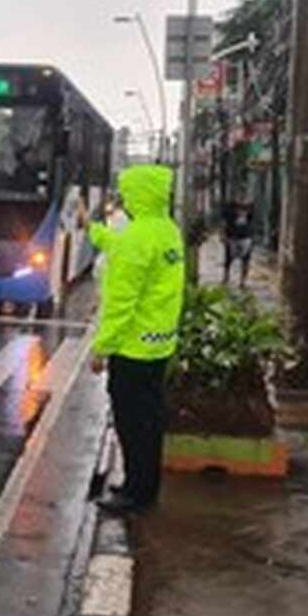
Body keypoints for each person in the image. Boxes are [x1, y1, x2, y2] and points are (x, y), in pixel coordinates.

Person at [87, 166, 185, 514]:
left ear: (138, 195)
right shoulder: (166, 231)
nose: (124, 199)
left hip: (132, 349)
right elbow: (125, 248)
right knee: (151, 420)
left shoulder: (137, 237)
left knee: (132, 424)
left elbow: (120, 304)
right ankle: (145, 486)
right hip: (158, 344)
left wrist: (102, 348)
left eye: (127, 193)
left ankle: (135, 493)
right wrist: (94, 231)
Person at [221, 191, 256, 287]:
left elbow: (252, 221)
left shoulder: (251, 207)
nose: (242, 198)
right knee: (228, 258)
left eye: (244, 196)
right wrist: (224, 235)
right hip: (232, 236)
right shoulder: (229, 208)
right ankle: (226, 277)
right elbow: (224, 222)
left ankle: (242, 281)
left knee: (246, 259)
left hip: (245, 236)